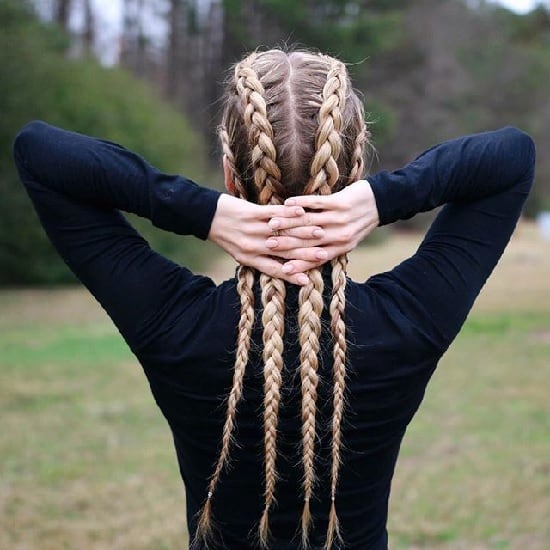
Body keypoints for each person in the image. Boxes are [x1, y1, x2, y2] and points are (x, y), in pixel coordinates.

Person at [12, 48, 535, 550]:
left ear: (229, 172)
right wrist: (384, 199)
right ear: (353, 168)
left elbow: (40, 152)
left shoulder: (177, 326)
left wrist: (202, 211)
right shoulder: (406, 323)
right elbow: (511, 157)